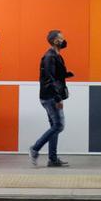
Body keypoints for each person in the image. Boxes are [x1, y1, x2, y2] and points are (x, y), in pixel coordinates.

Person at [30, 29, 74, 167]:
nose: (64, 40)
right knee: (59, 125)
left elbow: (53, 74)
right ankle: (35, 148)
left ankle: (53, 159)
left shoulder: (56, 55)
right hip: (50, 97)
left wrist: (65, 74)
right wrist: (57, 97)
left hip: (50, 95)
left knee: (54, 126)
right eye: (61, 38)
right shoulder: (49, 56)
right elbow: (49, 79)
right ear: (55, 41)